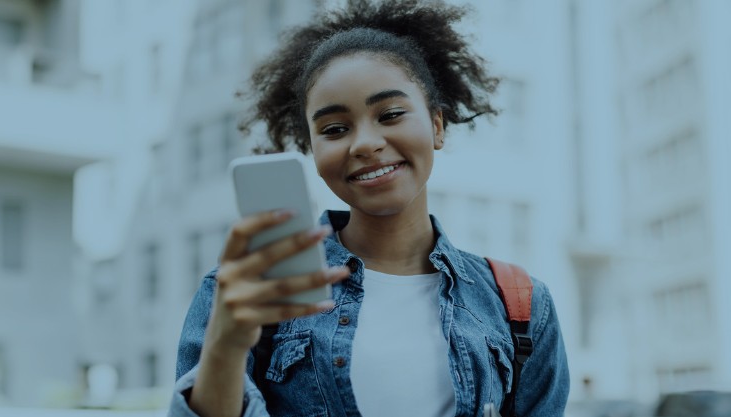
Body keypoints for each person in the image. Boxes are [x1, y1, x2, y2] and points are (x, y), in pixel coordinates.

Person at [169, 1, 569, 416]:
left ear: (436, 125)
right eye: (334, 129)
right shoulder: (248, 292)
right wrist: (226, 347)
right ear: (312, 147)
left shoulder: (520, 304)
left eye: (391, 114)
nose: (363, 143)